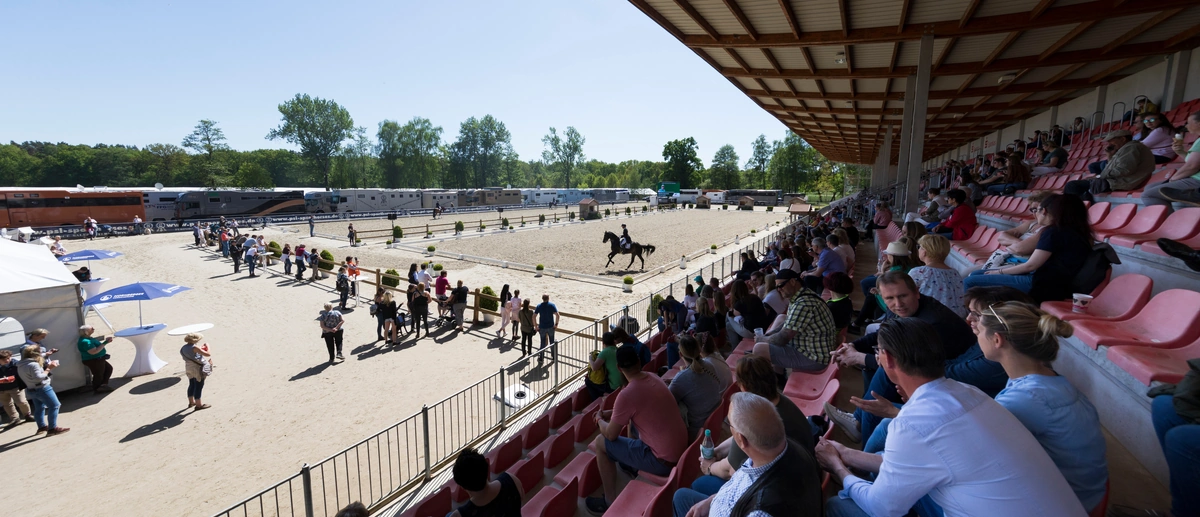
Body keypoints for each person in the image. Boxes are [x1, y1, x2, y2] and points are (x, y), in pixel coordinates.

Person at [816, 318, 1087, 517]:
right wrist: (847, 455)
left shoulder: (912, 425)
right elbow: (917, 463)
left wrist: (839, 469)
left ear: (886, 358)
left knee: (839, 506)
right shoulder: (969, 392)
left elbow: (882, 508)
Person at [975, 302, 1108, 512]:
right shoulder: (1051, 381)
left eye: (980, 330)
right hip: (1090, 496)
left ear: (997, 339)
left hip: (1068, 506)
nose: (977, 335)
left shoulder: (1024, 399)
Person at [828, 271, 975, 442]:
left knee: (885, 373)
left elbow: (906, 365)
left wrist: (858, 358)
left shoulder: (932, 322)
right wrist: (854, 345)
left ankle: (863, 433)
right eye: (889, 298)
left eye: (903, 296)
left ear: (916, 292)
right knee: (876, 366)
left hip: (953, 375)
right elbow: (885, 332)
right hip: (927, 365)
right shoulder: (904, 310)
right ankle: (861, 420)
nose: (898, 304)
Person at [672, 392, 822, 517]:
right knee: (685, 493)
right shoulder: (784, 448)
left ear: (740, 439)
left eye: (729, 424)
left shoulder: (761, 511)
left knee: (681, 497)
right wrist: (712, 500)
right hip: (732, 501)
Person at [586, 346, 688, 515]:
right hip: (678, 450)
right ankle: (630, 464)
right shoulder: (653, 377)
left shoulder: (626, 394)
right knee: (633, 422)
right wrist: (611, 413)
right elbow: (638, 407)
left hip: (662, 461)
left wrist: (598, 420)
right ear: (639, 361)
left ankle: (608, 501)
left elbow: (610, 434)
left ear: (619, 368)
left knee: (600, 442)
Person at [963, 193, 1094, 302]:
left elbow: (1031, 265)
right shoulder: (1079, 233)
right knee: (976, 274)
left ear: (1044, 211)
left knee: (971, 281)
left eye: (1037, 210)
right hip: (1058, 284)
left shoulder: (1053, 232)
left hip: (1043, 285)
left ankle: (969, 321)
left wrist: (999, 272)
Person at [752, 269, 839, 374]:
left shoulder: (803, 304)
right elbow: (787, 323)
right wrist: (767, 337)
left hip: (815, 358)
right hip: (813, 349)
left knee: (759, 349)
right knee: (781, 318)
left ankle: (774, 379)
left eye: (781, 285)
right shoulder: (803, 295)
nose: (779, 290)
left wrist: (762, 339)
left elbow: (782, 339)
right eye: (777, 287)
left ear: (793, 282)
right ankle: (778, 371)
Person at [1064, 130, 1155, 201]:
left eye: (1111, 141)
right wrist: (1110, 155)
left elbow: (1124, 170)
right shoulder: (1126, 148)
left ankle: (1073, 213)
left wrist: (1101, 176)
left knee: (1072, 186)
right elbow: (1117, 167)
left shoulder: (1131, 148)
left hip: (1123, 183)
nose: (1109, 144)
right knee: (1079, 189)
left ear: (1123, 139)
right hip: (1119, 181)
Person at [1142, 110, 1200, 210]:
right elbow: (1193, 162)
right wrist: (1181, 152)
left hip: (1197, 180)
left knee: (1149, 194)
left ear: (1198, 124)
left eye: (1188, 123)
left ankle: (1167, 223)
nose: (1186, 126)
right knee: (1149, 188)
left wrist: (1173, 179)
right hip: (1194, 177)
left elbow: (1192, 166)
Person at [669, 334, 723, 441]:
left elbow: (668, 402)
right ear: (699, 350)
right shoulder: (709, 364)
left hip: (697, 430)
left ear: (680, 354)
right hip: (714, 422)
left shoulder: (681, 378)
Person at [448, 447, 524, 517]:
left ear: (462, 486)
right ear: (486, 469)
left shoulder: (459, 515)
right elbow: (522, 498)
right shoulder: (511, 479)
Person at [908, 234, 965, 317]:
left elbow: (906, 297)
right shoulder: (955, 273)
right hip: (957, 320)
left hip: (931, 321)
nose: (918, 250)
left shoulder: (919, 272)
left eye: (919, 247)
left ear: (924, 251)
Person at [18, 345, 68, 435]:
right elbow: (38, 377)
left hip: (31, 389)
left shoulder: (21, 364)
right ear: (35, 354)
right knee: (55, 406)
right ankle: (52, 428)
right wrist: (49, 368)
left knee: (39, 408)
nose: (42, 354)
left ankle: (41, 427)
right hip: (42, 388)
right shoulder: (34, 365)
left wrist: (48, 353)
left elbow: (40, 357)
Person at [0, 349, 34, 428]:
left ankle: (27, 415)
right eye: (3, 359)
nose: (7, 360)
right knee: (7, 404)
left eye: (8, 358)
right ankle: (14, 419)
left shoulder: (16, 364)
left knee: (21, 401)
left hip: (15, 386)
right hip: (1, 389)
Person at [181, 332, 214, 410]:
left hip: (189, 367)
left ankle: (191, 402)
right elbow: (208, 354)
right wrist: (207, 346)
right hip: (197, 368)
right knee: (199, 385)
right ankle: (198, 405)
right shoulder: (194, 348)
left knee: (191, 384)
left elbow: (193, 353)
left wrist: (200, 348)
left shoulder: (184, 348)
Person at [77, 325, 114, 392]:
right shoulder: (86, 341)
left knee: (108, 369)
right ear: (86, 332)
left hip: (97, 359)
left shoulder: (88, 338)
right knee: (98, 374)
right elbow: (94, 352)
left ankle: (103, 385)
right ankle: (97, 388)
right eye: (92, 328)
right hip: (94, 360)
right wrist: (105, 342)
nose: (94, 328)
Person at [587, 332, 623, 400]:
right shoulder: (617, 349)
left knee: (588, 381)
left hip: (613, 386)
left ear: (603, 342)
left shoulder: (605, 352)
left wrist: (590, 359)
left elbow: (594, 367)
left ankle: (597, 400)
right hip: (622, 382)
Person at [534, 294, 559, 366]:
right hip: (551, 326)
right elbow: (557, 315)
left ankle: (541, 358)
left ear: (542, 298)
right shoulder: (552, 305)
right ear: (548, 298)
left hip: (542, 327)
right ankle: (554, 357)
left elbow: (534, 316)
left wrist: (536, 326)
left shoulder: (539, 306)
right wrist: (556, 324)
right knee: (552, 342)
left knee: (542, 343)